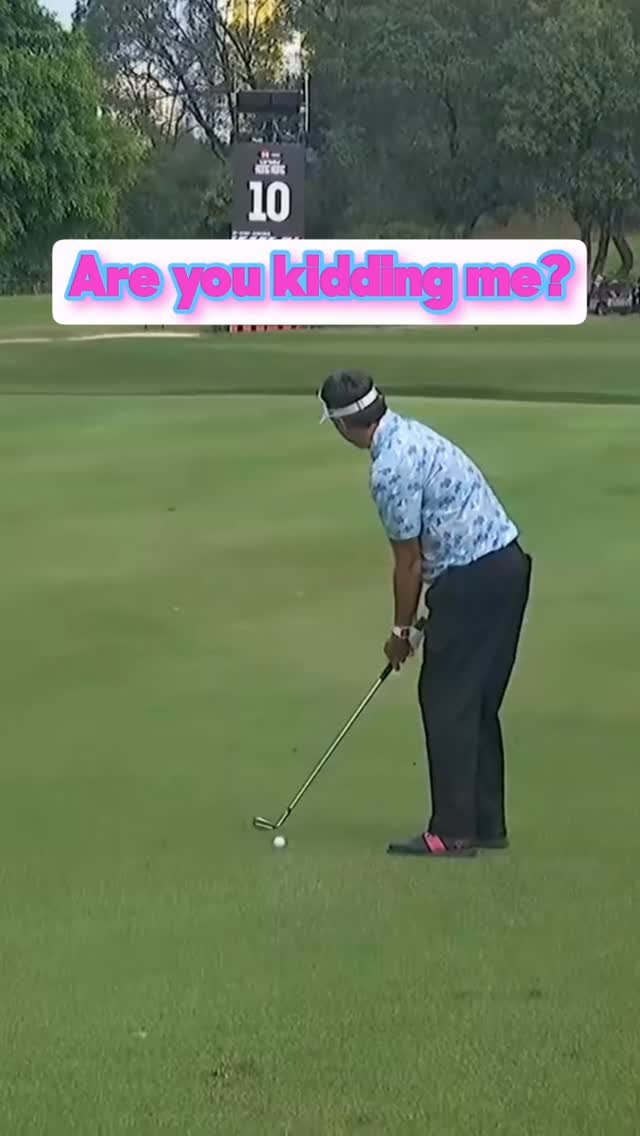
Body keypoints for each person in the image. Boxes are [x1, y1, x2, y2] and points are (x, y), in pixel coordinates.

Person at [318, 370, 532, 858]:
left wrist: (400, 632)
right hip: (505, 567)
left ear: (342, 425)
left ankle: (452, 832)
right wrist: (422, 623)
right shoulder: (412, 432)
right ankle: (485, 823)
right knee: (475, 701)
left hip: (472, 579)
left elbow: (409, 562)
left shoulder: (389, 468)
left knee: (446, 700)